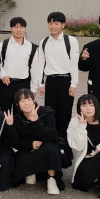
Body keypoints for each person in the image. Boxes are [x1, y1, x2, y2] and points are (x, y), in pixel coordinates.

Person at [38, 12, 80, 159]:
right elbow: (41, 64)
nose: (53, 26)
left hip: (66, 81)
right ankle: (52, 147)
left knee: (64, 115)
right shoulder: (44, 42)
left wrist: (73, 84)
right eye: (50, 23)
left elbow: (74, 64)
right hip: (50, 81)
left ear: (63, 25)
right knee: (50, 114)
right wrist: (40, 84)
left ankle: (64, 149)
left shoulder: (71, 41)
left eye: (56, 23)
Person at [10, 89, 63, 195]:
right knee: (18, 159)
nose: (26, 103)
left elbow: (53, 136)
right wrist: (31, 144)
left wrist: (36, 122)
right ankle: (32, 171)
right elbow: (15, 143)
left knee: (51, 149)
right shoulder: (17, 119)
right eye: (22, 101)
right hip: (28, 149)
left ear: (34, 100)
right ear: (17, 104)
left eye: (28, 99)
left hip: (46, 147)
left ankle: (51, 179)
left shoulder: (46, 112)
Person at [0, 16, 41, 113]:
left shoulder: (32, 47)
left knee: (21, 114)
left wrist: (33, 89)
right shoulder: (2, 45)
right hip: (6, 84)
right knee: (3, 113)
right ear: (11, 28)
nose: (19, 30)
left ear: (25, 29)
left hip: (23, 85)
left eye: (21, 27)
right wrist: (3, 75)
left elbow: (34, 69)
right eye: (15, 27)